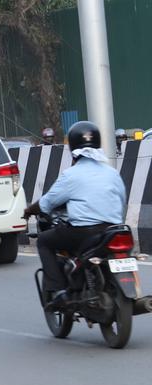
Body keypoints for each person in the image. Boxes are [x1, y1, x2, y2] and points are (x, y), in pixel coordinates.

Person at [22, 120, 127, 308]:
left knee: (44, 241)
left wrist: (29, 210)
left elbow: (48, 202)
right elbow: (122, 199)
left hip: (84, 233)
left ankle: (59, 290)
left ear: (72, 146)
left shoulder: (72, 175)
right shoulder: (112, 173)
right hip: (113, 230)